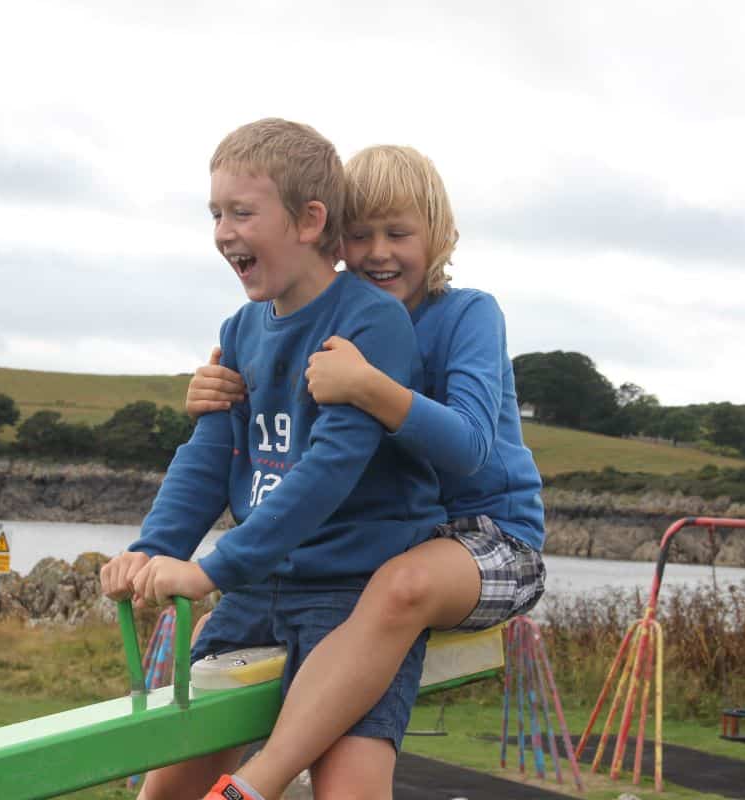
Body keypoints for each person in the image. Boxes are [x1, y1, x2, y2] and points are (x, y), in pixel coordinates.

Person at [185, 144, 547, 800]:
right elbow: (291, 449)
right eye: (361, 233)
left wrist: (368, 385)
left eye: (399, 233)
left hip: (491, 538)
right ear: (332, 235)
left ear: (438, 236)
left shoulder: (468, 314)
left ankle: (255, 785)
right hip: (392, 540)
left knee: (402, 587)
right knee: (332, 600)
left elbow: (470, 447)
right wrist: (219, 396)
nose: (379, 251)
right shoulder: (336, 320)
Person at [100, 122, 446, 800]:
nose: (224, 232)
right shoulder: (240, 328)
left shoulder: (372, 323)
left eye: (242, 213)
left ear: (310, 221)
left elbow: (326, 473)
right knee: (169, 785)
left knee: (346, 786)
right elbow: (207, 455)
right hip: (256, 592)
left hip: (349, 597)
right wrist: (152, 550)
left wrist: (210, 568)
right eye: (215, 214)